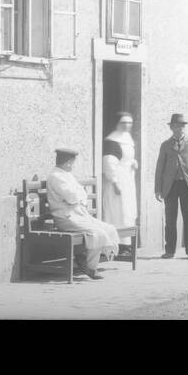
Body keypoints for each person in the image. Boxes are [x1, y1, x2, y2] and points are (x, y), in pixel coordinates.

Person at [47, 148, 119, 280]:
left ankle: (84, 256)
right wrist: (79, 196)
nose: (73, 166)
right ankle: (90, 267)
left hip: (78, 214)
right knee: (97, 233)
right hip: (65, 217)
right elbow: (72, 197)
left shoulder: (66, 175)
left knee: (109, 228)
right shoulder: (56, 177)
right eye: (72, 163)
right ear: (67, 162)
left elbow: (81, 194)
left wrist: (79, 196)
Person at [154, 112, 188, 260]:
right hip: (170, 186)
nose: (179, 129)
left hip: (187, 185)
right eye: (176, 126)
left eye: (181, 126)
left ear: (185, 128)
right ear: (171, 128)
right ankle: (170, 250)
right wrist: (157, 189)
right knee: (170, 219)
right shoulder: (165, 145)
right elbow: (159, 168)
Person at [101, 113, 138, 249]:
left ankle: (126, 244)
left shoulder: (128, 139)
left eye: (129, 123)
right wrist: (115, 182)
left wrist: (133, 163)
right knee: (117, 211)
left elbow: (126, 158)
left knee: (127, 211)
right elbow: (109, 162)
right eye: (124, 123)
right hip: (116, 181)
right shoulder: (112, 140)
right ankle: (116, 245)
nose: (127, 125)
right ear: (117, 123)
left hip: (128, 180)